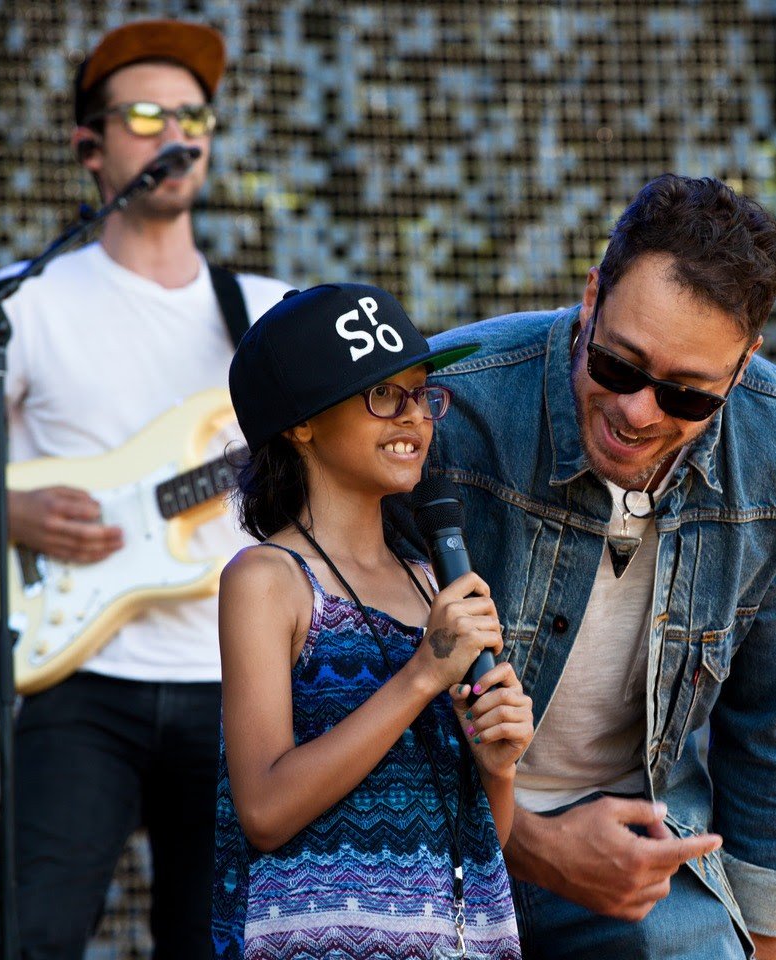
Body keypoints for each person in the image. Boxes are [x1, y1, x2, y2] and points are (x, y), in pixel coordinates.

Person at [0, 19, 291, 959]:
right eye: (149, 116)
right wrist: (17, 515)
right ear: (91, 148)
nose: (179, 135)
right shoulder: (30, 301)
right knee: (32, 938)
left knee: (219, 945)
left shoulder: (268, 314)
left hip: (237, 686)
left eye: (194, 116)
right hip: (78, 682)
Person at [416, 175, 776, 959]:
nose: (638, 411)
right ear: (591, 298)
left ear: (743, 366)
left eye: (687, 396)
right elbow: (343, 680)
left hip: (641, 848)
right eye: (619, 365)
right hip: (422, 828)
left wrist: (761, 941)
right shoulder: (448, 407)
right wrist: (534, 846)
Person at [212, 282, 534, 959]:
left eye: (421, 394)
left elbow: (483, 843)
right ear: (300, 423)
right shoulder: (268, 580)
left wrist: (497, 769)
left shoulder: (431, 584)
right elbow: (264, 810)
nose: (414, 417)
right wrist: (422, 676)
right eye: (384, 394)